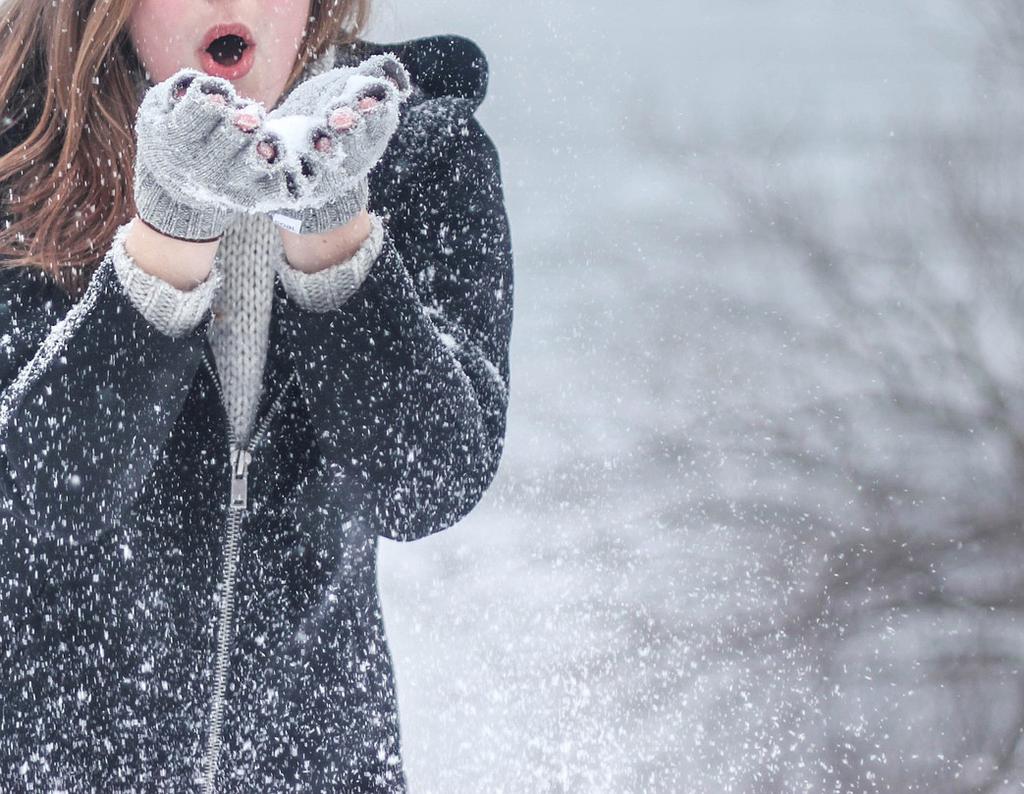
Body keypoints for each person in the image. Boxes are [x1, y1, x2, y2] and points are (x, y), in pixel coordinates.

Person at [0, 0, 513, 790]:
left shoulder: (420, 156)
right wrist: (170, 233)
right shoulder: (20, 157)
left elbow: (427, 483)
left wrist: (333, 230)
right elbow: (42, 490)